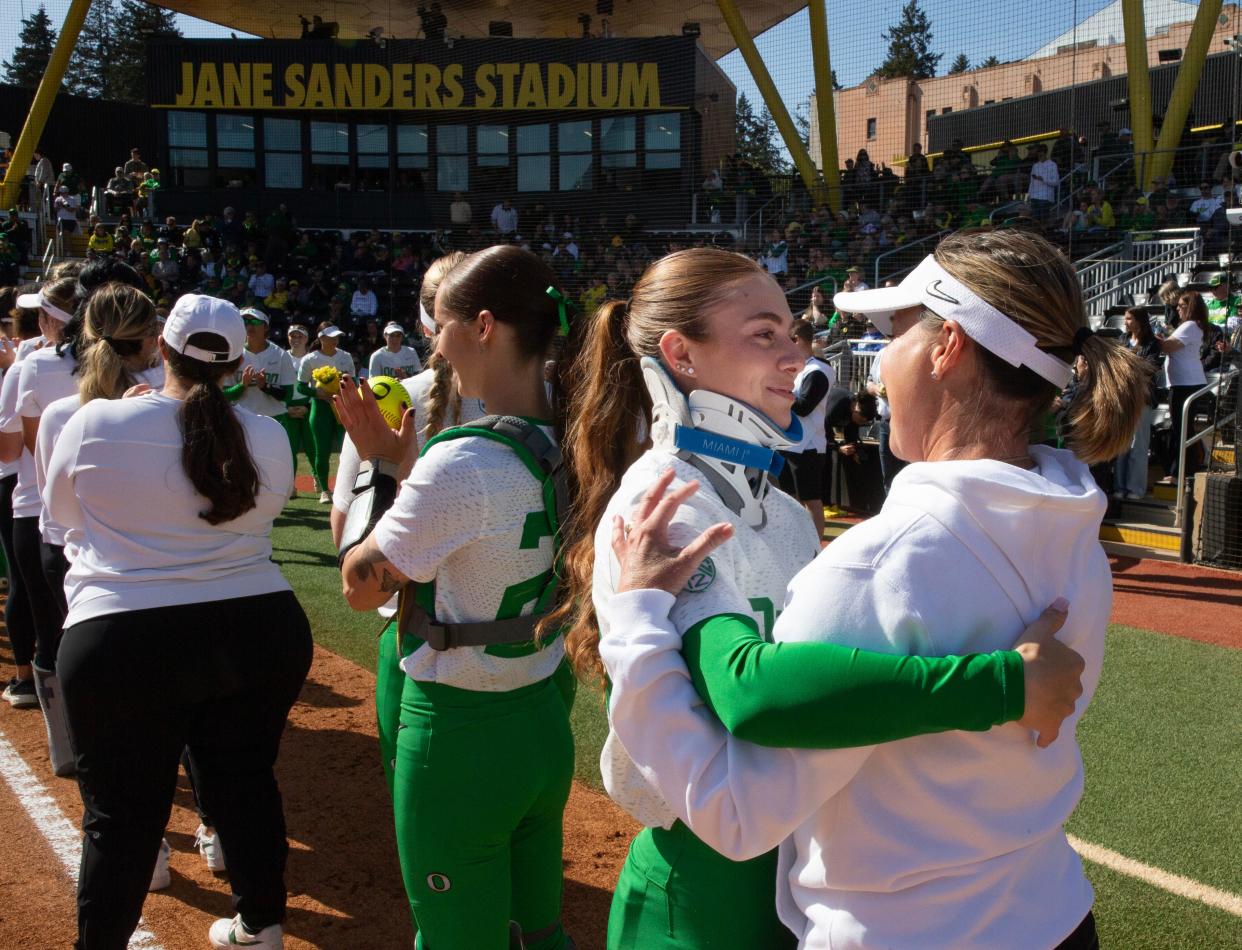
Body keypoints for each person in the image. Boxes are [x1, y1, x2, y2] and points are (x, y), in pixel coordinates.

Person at [602, 230, 1149, 950]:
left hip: (899, 923)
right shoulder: (1070, 519)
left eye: (890, 333)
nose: (831, 359)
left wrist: (646, 615)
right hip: (1046, 908)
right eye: (767, 334)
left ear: (946, 347)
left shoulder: (874, 561)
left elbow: (741, 790)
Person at [45, 294, 311, 950]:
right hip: (257, 628)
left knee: (122, 816)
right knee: (245, 781)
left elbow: (61, 523)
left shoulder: (94, 422)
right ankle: (260, 924)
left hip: (124, 637)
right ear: (237, 364)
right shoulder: (268, 436)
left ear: (160, 348)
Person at [336, 246, 576, 950]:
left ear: (483, 327)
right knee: (539, 932)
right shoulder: (580, 432)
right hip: (541, 712)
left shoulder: (462, 458)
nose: (433, 342)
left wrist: (388, 468)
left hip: (462, 730)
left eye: (441, 324)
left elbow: (359, 587)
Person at [0, 278, 79, 770]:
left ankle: (67, 747)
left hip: (40, 508)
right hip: (102, 515)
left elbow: (14, 451)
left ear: (51, 319)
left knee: (48, 623)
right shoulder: (130, 364)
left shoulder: (34, 365)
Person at [779, 321, 835, 538]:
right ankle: (796, 543)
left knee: (810, 499)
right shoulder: (801, 369)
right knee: (790, 498)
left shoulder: (818, 371)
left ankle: (815, 547)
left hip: (809, 446)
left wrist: (779, 393)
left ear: (796, 340)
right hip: (790, 442)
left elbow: (803, 407)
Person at [296, 323, 354, 502]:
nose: (335, 340)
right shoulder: (310, 359)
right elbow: (300, 387)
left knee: (348, 450)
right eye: (331, 337)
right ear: (321, 338)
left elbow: (353, 382)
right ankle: (324, 490)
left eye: (336, 337)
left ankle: (346, 487)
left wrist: (345, 391)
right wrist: (317, 393)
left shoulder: (345, 356)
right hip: (320, 409)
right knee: (322, 451)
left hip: (342, 407)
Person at [225, 309, 296, 447]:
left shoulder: (281, 355)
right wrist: (242, 385)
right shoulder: (233, 355)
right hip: (242, 419)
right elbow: (224, 395)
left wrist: (266, 387)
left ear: (266, 327)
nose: (249, 326)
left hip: (274, 418)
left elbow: (288, 395)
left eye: (255, 321)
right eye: (245, 321)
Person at [1158, 290, 1209, 483]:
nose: (1177, 309)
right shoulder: (1191, 326)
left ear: (1191, 307)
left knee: (1182, 430)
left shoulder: (1190, 325)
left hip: (1185, 383)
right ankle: (1182, 470)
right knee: (1181, 429)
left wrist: (1152, 337)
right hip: (1183, 382)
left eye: (1181, 305)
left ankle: (1182, 473)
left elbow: (1168, 347)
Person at [1113, 307, 1162, 500]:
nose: (1125, 322)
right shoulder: (1122, 341)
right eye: (1125, 318)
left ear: (1139, 321)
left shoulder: (1152, 343)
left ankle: (1135, 489)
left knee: (1139, 446)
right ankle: (1119, 487)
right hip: (1123, 398)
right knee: (1121, 445)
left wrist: (1129, 365)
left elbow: (1150, 367)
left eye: (1129, 318)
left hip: (1142, 398)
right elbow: (1116, 366)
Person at [282, 324, 313, 498]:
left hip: (307, 405)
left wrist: (307, 406)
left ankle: (319, 480)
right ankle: (290, 485)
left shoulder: (311, 358)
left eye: (300, 336)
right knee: (290, 449)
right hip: (287, 406)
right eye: (293, 336)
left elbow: (316, 384)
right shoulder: (282, 357)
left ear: (306, 338)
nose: (296, 339)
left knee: (312, 447)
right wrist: (286, 406)